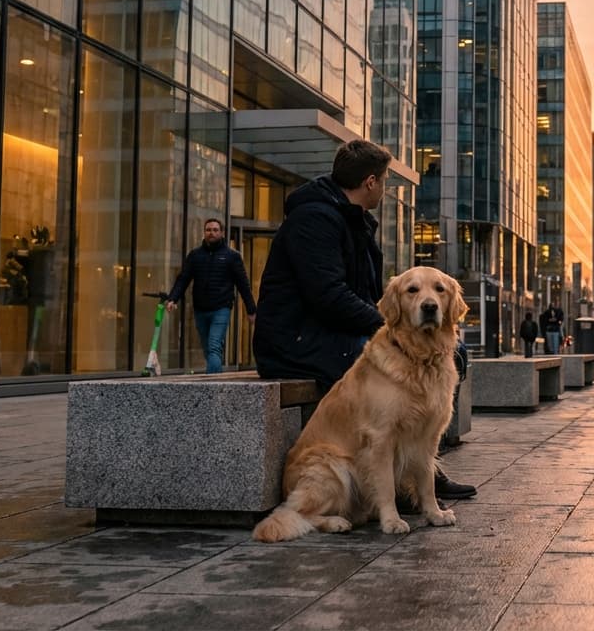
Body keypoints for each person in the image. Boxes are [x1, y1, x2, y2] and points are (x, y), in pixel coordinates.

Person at [251, 139, 475, 500]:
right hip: (296, 341)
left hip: (331, 330)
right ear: (371, 182)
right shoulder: (314, 220)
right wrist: (391, 330)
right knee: (384, 359)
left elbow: (368, 296)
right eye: (385, 180)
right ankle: (416, 478)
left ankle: (420, 468)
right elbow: (329, 297)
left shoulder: (353, 222)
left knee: (454, 353)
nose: (385, 189)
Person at [166, 218, 257, 374]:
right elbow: (183, 278)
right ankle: (216, 379)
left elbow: (243, 284)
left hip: (221, 308)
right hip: (200, 309)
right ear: (204, 232)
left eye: (215, 230)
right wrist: (173, 298)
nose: (211, 233)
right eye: (208, 230)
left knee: (214, 345)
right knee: (209, 349)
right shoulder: (195, 256)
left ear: (221, 233)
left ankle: (212, 385)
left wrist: (251, 310)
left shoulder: (231, 256)